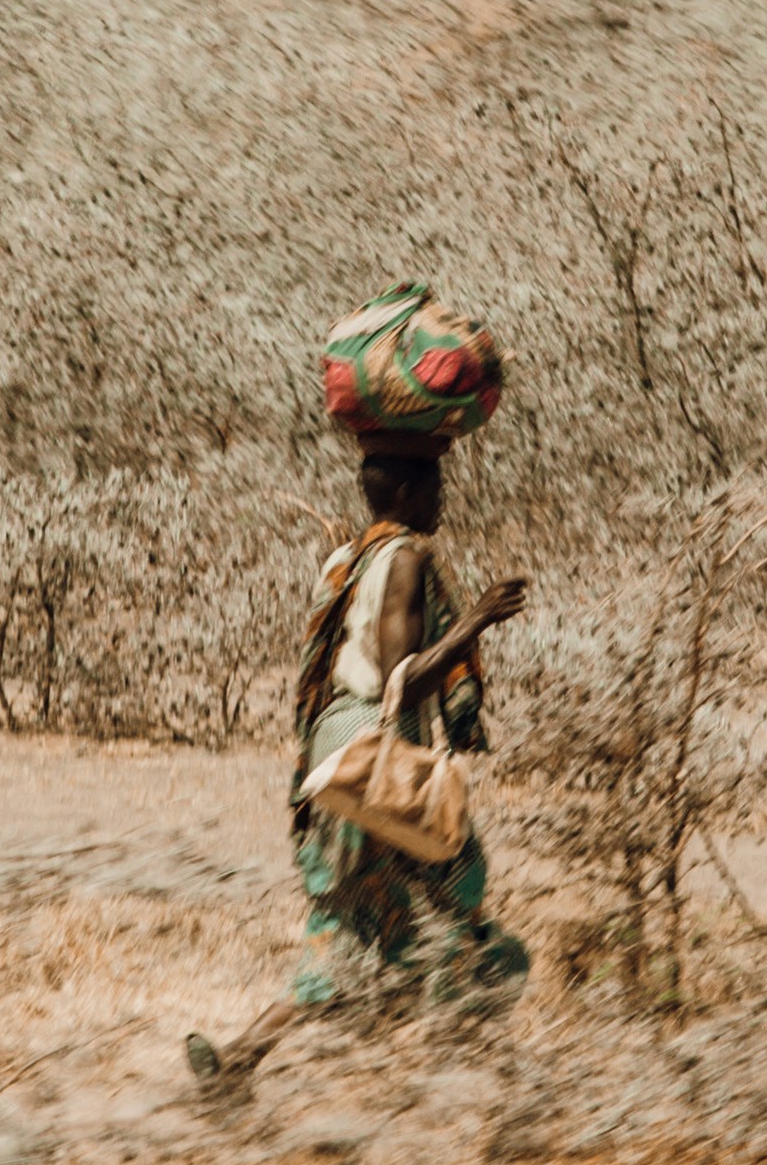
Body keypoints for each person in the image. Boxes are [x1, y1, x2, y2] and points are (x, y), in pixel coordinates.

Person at [184, 439, 531, 1090]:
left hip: (336, 750)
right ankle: (482, 1087)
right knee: (462, 913)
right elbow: (406, 675)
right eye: (434, 489)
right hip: (380, 755)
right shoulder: (404, 556)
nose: (442, 501)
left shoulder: (346, 558)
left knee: (351, 924)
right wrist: (477, 618)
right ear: (403, 494)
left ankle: (240, 1060)